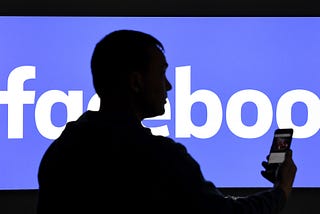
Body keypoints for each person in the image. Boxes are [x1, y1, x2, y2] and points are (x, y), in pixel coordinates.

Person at [36, 29, 297, 214]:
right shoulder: (159, 157)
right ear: (136, 82)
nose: (170, 85)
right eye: (162, 73)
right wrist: (281, 190)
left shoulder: (61, 150)